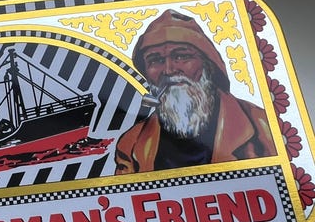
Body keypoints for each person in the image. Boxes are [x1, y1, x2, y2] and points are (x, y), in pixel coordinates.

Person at [115, 9, 276, 175]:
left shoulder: (263, 126)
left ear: (209, 64)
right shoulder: (132, 144)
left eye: (181, 56)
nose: (169, 70)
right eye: (156, 60)